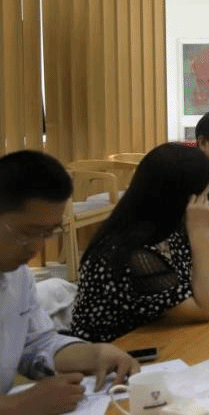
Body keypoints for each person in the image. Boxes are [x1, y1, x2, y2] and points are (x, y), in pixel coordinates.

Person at [71, 143, 209, 343]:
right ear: (181, 198)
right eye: (203, 197)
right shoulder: (134, 252)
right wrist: (200, 236)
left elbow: (193, 279)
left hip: (158, 336)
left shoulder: (167, 226)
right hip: (118, 352)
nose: (207, 205)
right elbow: (205, 309)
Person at [0, 150, 137, 414]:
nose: (37, 248)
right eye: (27, 233)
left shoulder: (17, 275)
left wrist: (94, 354)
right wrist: (18, 405)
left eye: (48, 233)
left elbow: (37, 343)